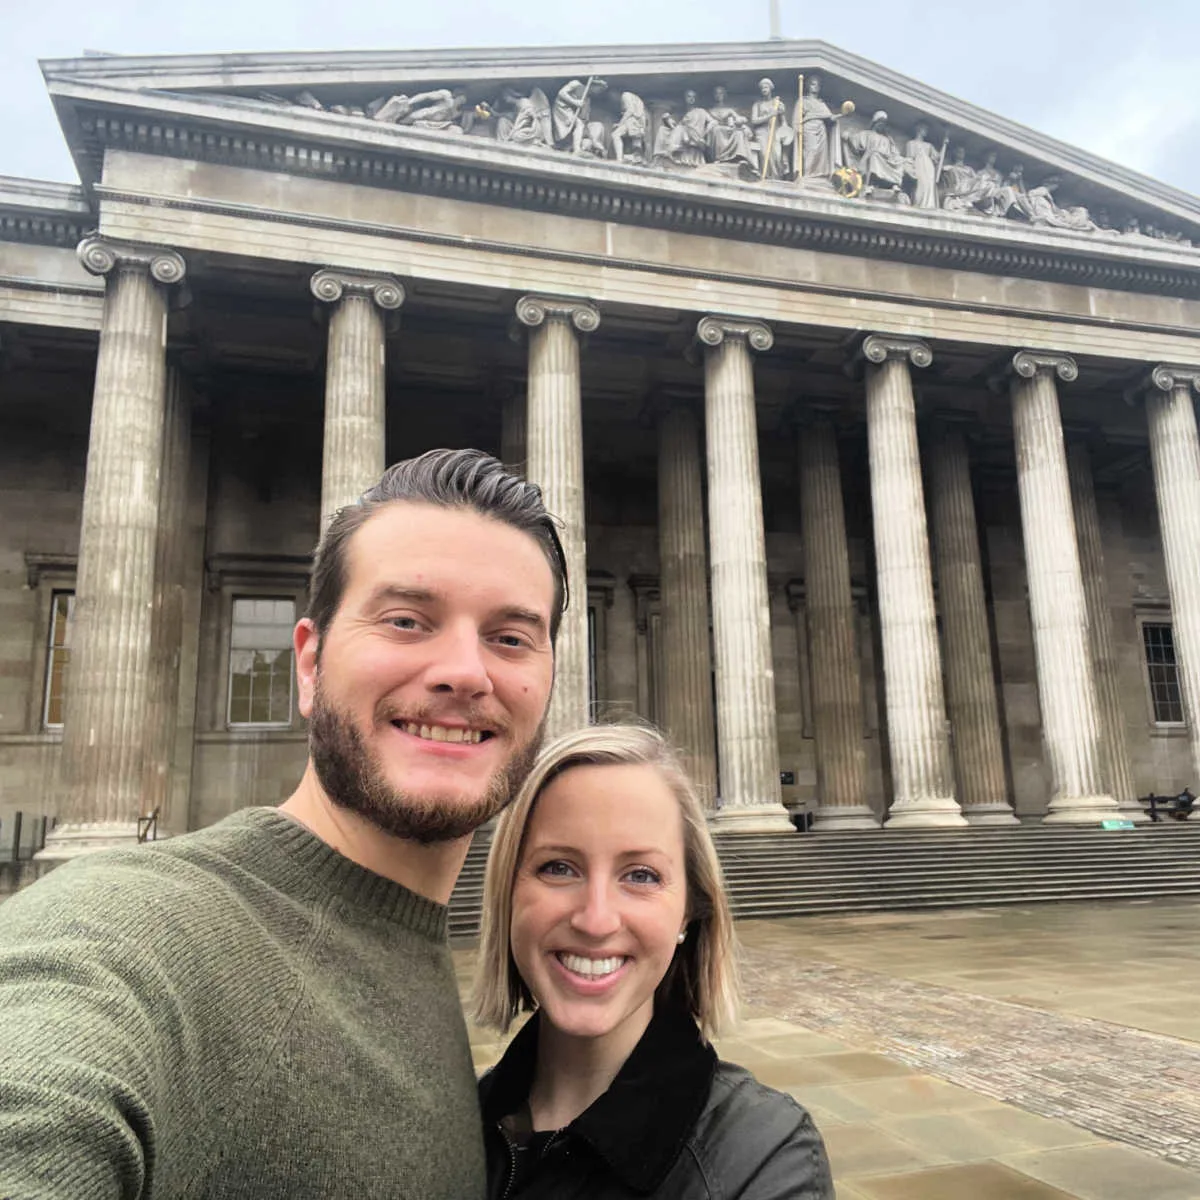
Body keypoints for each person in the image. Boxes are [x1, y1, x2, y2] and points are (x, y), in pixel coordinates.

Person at [0, 448, 565, 1199]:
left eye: (511, 637)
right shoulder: (127, 932)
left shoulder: (408, 944)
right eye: (406, 620)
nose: (466, 671)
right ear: (308, 664)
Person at [473, 725, 834, 1199]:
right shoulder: (452, 1120)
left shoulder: (762, 1156)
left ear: (690, 909)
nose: (596, 919)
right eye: (557, 867)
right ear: (508, 894)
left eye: (641, 875)